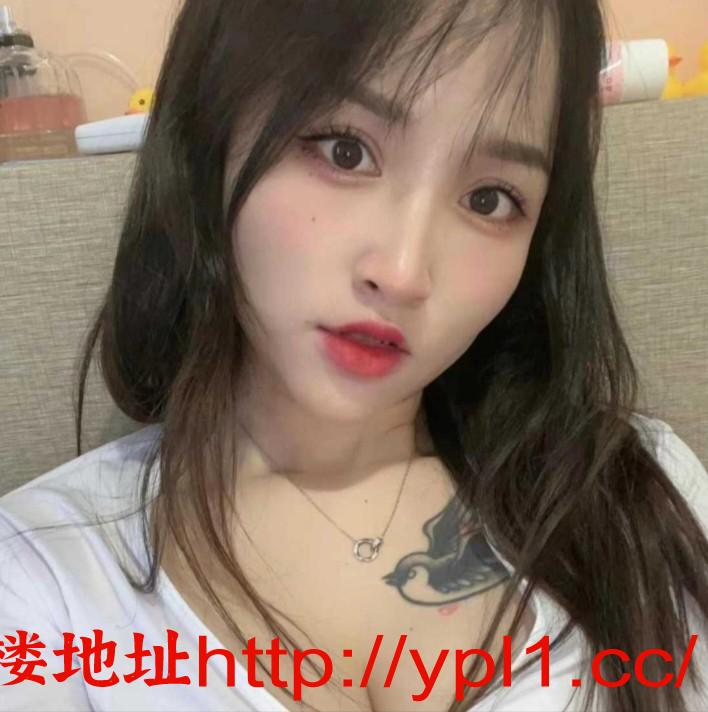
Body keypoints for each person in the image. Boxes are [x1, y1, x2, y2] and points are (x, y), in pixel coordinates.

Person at [1, 1, 707, 710]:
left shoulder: (642, 498)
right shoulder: (43, 574)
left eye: (490, 199)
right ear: (208, 140)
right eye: (345, 150)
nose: (402, 273)